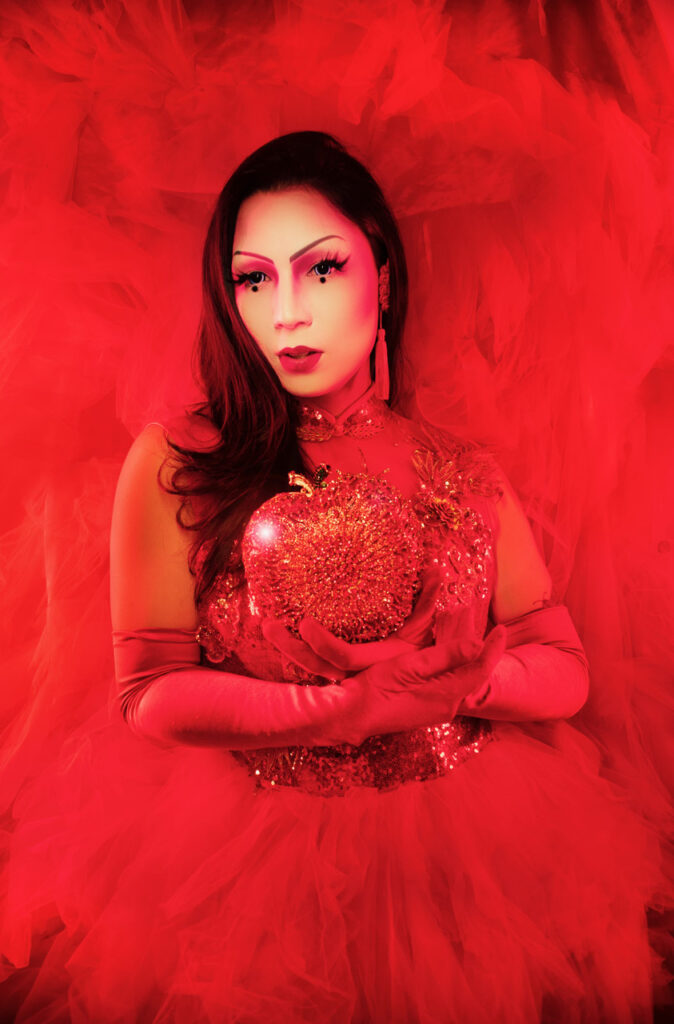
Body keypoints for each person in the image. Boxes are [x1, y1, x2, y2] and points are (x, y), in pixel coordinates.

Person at [103, 131, 664, 1023]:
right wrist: (337, 713)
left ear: (384, 278)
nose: (286, 312)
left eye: (320, 269)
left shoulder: (462, 467)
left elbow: (565, 668)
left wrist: (470, 683)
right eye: (254, 278)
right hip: (252, 880)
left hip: (469, 857)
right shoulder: (181, 459)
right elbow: (148, 692)